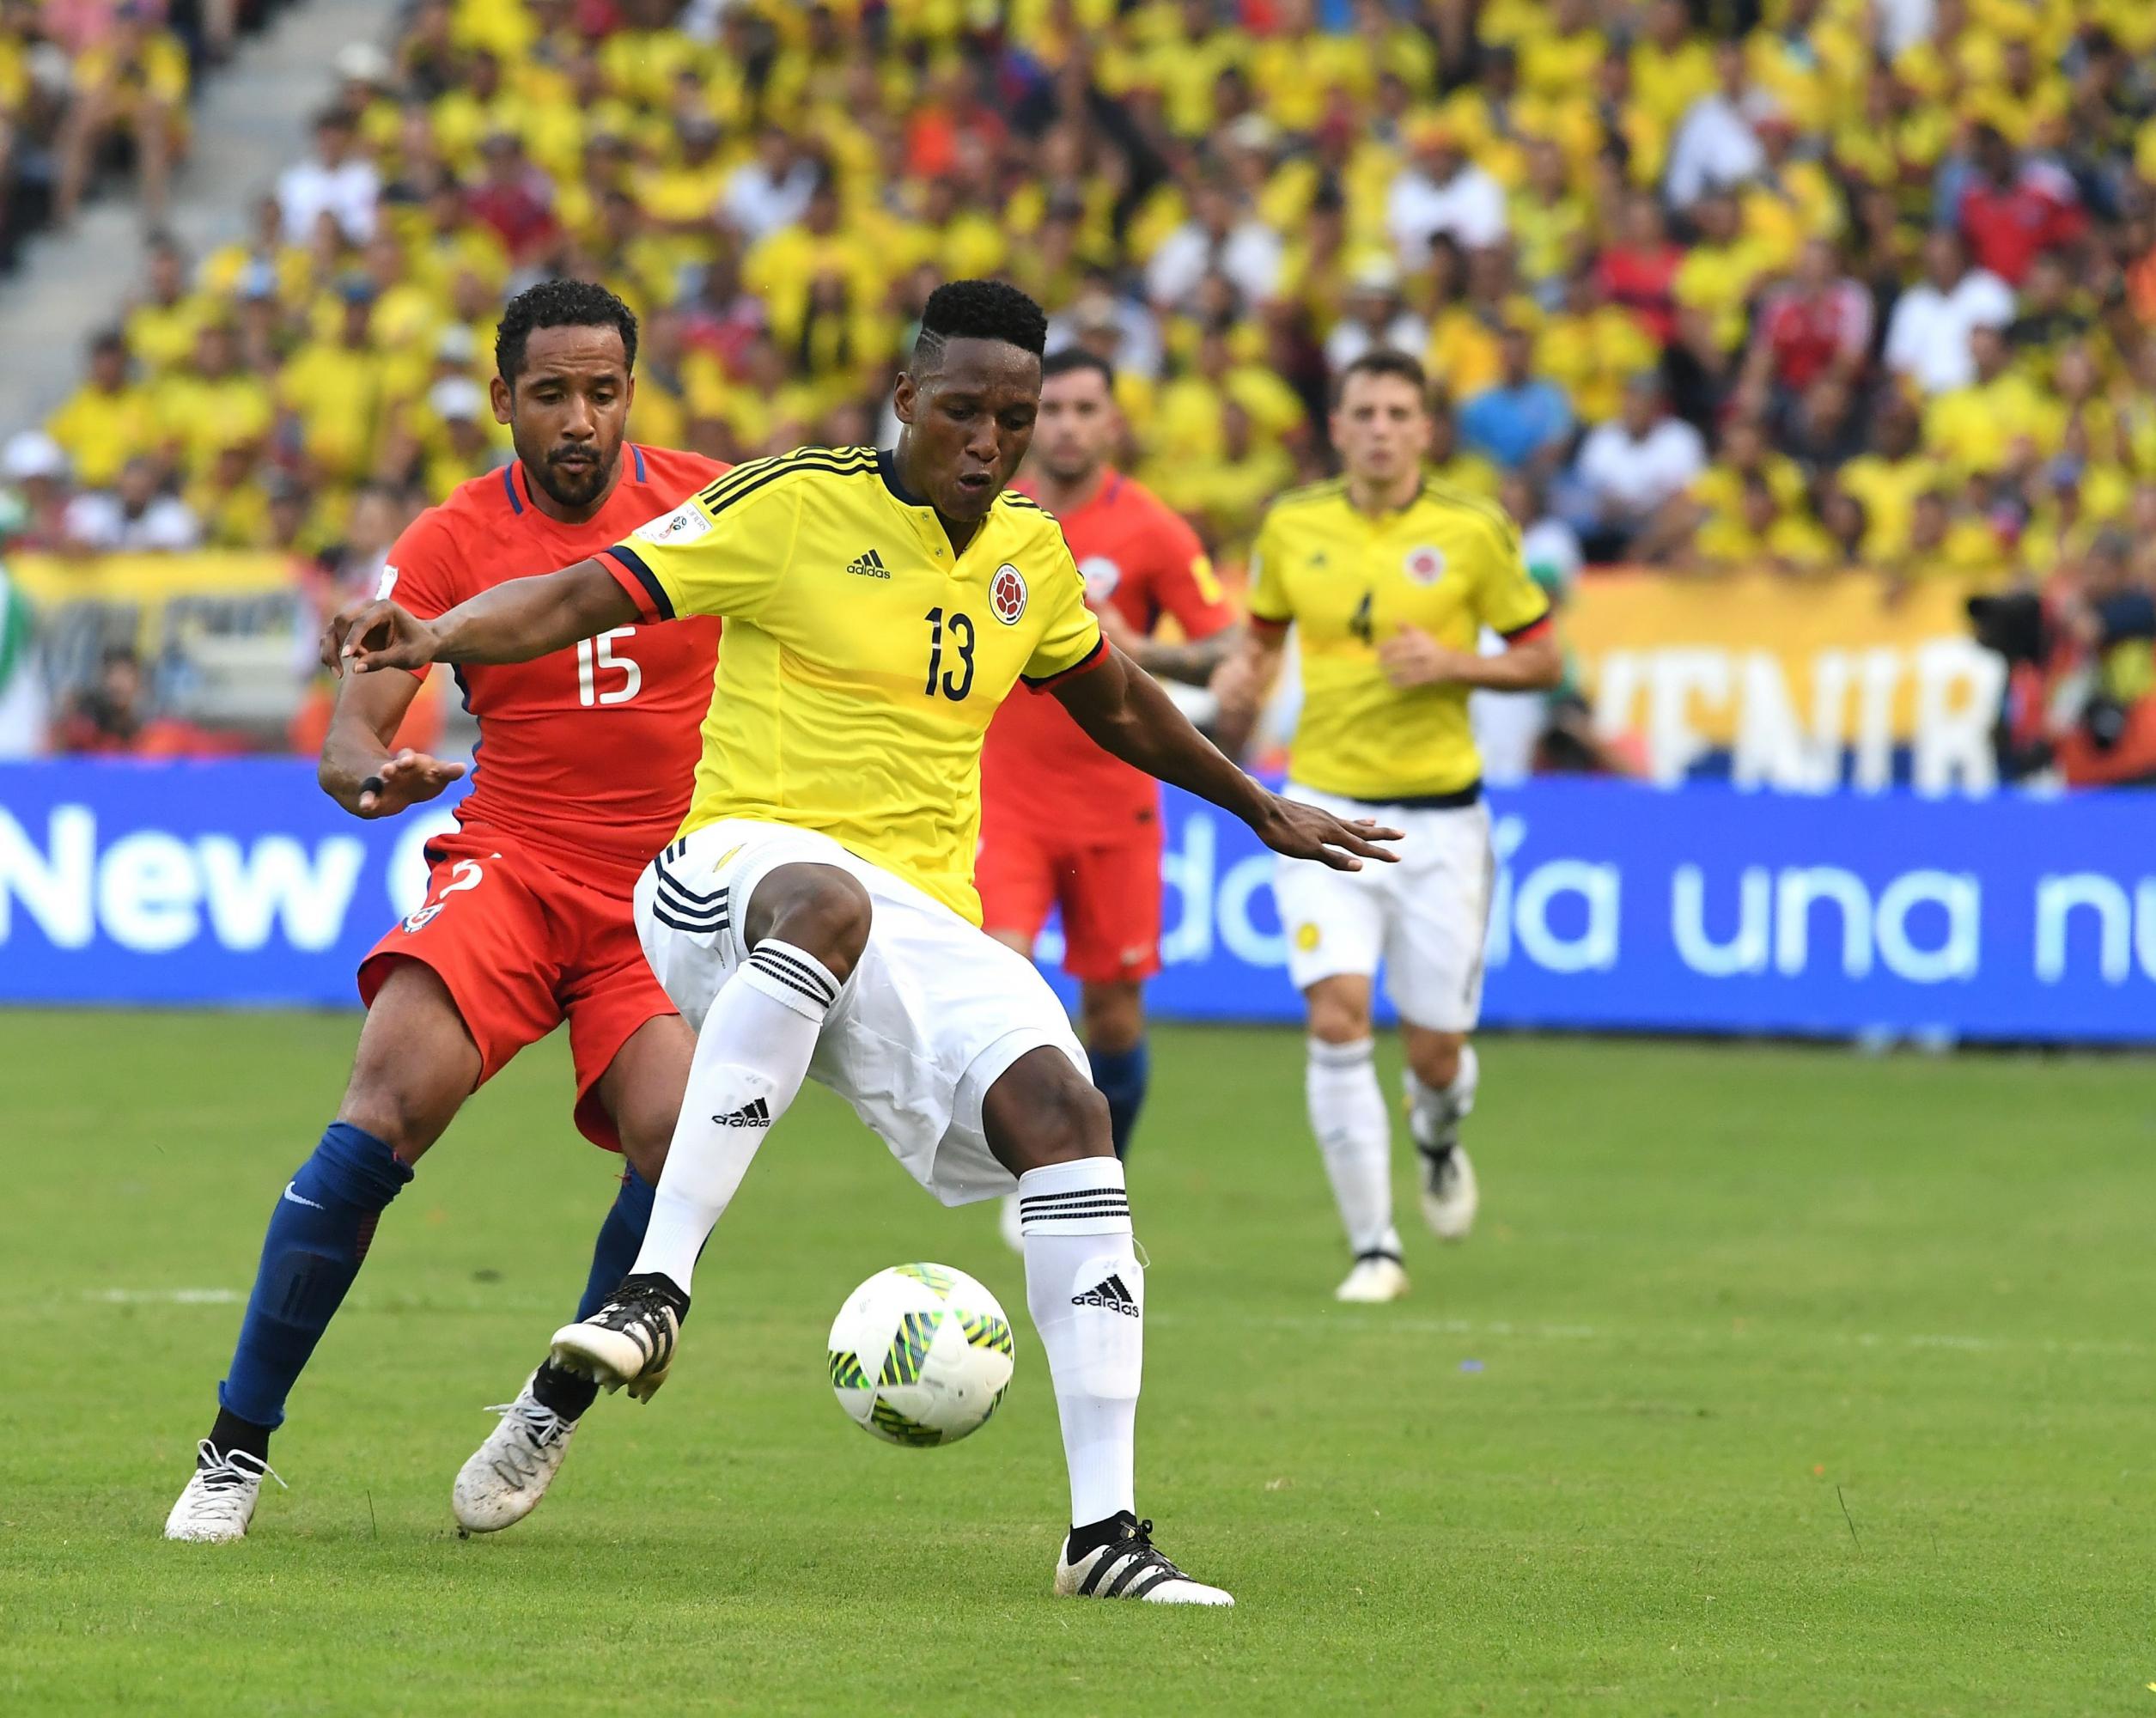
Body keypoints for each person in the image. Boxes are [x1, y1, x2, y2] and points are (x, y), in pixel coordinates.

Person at [326, 280, 1395, 1606]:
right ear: (906, 400)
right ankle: (658, 1286)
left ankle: (1103, 1534)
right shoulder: (791, 504)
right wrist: (433, 636)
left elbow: (1117, 701)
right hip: (724, 873)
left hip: (916, 918)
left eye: (1011, 416)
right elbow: (577, 598)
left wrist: (1260, 806)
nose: (989, 441)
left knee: (1069, 1117)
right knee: (821, 896)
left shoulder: (1029, 556)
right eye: (962, 411)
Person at [162, 282, 729, 1544]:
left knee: (680, 1140)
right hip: (517, 865)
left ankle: (551, 1401)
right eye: (550, 394)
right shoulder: (452, 537)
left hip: (666, 896)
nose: (578, 418)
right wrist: (371, 776)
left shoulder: (712, 503)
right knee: (385, 1101)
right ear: (503, 402)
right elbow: (352, 731)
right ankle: (236, 1446)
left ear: (631, 392)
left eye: (601, 391)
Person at [1209, 350, 1562, 1304]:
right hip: (1322, 808)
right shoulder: (1291, 526)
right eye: (1361, 409)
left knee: (1434, 1054)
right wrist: (1239, 681)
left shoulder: (1473, 532)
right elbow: (1260, 638)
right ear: (1336, 424)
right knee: (1335, 1015)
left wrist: (1453, 662)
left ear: (1423, 428)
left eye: (1396, 411)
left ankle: (1437, 1133)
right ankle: (1374, 1247)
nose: (1377, 426)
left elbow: (1542, 660)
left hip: (1442, 824)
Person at [976, 348, 1239, 1248]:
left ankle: (1097, 1171)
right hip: (1002, 795)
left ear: (1110, 423)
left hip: (1115, 801)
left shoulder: (1153, 530)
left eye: (1085, 408)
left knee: (1114, 1012)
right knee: (1002, 976)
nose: (1066, 425)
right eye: (1051, 409)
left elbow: (1224, 647)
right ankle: (1035, 1164)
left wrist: (1140, 649)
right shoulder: (989, 513)